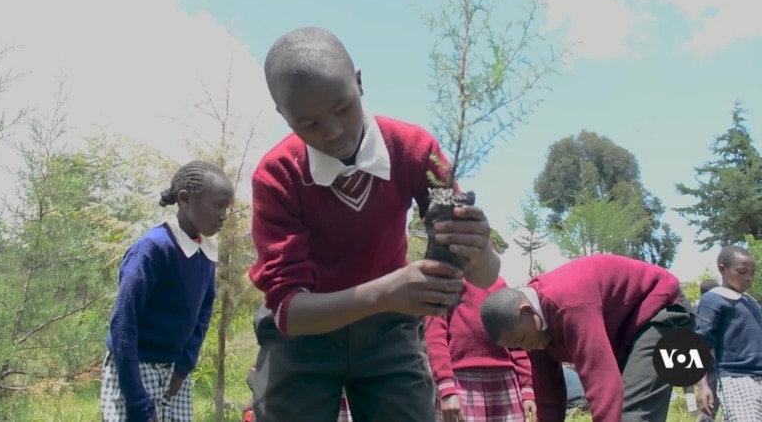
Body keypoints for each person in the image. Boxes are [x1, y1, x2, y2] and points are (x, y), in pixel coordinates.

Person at [248, 26, 500, 422]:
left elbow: (484, 278)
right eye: (309, 124)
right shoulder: (278, 175)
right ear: (283, 116)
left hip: (388, 336)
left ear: (360, 82)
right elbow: (288, 311)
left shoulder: (416, 151)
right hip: (302, 341)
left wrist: (479, 249)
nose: (332, 132)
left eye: (342, 108)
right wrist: (388, 291)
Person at [480, 254, 695, 422]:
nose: (527, 347)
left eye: (523, 339)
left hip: (662, 313)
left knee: (630, 416)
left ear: (526, 310)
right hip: (627, 334)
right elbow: (549, 397)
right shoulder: (534, 330)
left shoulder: (569, 304)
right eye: (518, 346)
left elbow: (602, 382)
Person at [100, 161, 234, 422]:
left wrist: (184, 366)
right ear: (185, 199)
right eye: (217, 206)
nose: (223, 215)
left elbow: (203, 313)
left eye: (226, 208)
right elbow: (123, 324)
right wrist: (137, 401)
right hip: (134, 368)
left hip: (174, 372)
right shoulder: (154, 249)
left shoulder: (205, 250)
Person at [425, 277, 535, 422]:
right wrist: (447, 390)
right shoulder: (442, 284)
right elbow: (435, 339)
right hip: (461, 383)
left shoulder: (498, 283)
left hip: (503, 381)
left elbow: (517, 343)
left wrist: (527, 390)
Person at [696, 246, 762, 422]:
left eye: (752, 273)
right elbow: (701, 344)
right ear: (722, 269)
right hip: (737, 377)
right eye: (742, 272)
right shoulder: (713, 299)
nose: (748, 278)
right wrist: (703, 386)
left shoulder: (751, 302)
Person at [695, 278, 720, 422]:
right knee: (709, 406)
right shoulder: (709, 309)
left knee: (709, 406)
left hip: (707, 365)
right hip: (713, 364)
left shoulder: (696, 309)